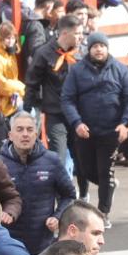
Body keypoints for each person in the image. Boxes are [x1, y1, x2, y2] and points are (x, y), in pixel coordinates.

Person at [62, 33, 128, 224]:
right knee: (85, 170)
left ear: (107, 48)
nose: (98, 49)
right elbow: (67, 99)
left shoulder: (120, 70)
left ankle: (103, 213)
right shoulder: (77, 71)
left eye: (102, 46)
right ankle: (107, 185)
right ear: (89, 49)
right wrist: (77, 122)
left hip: (111, 131)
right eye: (95, 46)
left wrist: (125, 123)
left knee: (105, 172)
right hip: (85, 131)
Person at [0, 110, 75, 255]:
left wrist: (57, 216)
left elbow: (69, 195)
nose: (25, 134)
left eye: (30, 130)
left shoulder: (51, 160)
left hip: (43, 246)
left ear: (36, 134)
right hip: (8, 245)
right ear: (10, 135)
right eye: (19, 129)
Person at [27, 15, 81, 160]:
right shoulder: (44, 53)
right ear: (64, 33)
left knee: (82, 159)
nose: (80, 37)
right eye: (77, 33)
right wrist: (28, 111)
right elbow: (32, 83)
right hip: (55, 113)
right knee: (58, 158)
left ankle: (84, 183)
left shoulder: (81, 53)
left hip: (78, 114)